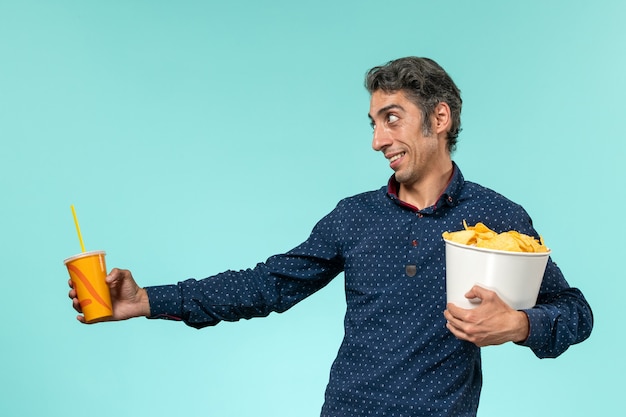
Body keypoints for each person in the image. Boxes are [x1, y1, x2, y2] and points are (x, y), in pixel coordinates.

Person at [68, 57, 593, 417]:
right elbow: (268, 285)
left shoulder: (500, 217)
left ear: (439, 117)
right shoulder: (354, 217)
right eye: (372, 122)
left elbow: (574, 312)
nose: (377, 140)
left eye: (392, 119)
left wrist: (520, 324)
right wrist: (147, 300)